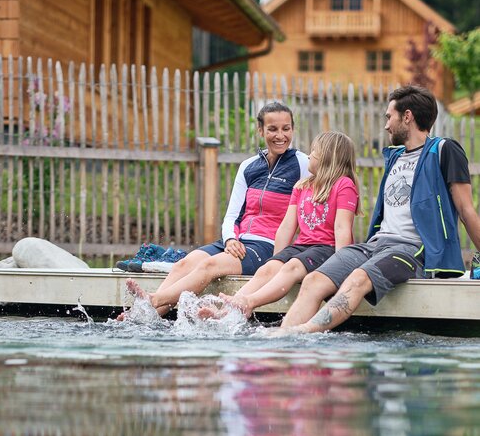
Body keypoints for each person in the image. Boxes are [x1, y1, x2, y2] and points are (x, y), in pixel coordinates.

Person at [273, 84, 480, 335]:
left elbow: (466, 210)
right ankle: (279, 338)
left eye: (388, 116)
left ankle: (304, 333)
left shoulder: (443, 150)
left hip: (413, 249)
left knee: (358, 279)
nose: (385, 125)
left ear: (407, 116)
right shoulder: (394, 157)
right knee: (313, 280)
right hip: (375, 244)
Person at [118, 101, 310, 320]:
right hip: (236, 241)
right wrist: (229, 239)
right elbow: (232, 215)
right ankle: (144, 318)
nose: (280, 135)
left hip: (266, 246)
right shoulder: (249, 166)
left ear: (293, 129)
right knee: (184, 263)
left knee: (209, 265)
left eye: (286, 128)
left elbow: (324, 188)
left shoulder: (302, 164)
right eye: (272, 129)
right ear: (260, 130)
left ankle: (152, 301)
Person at [198, 131, 360, 320]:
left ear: (327, 157)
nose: (309, 155)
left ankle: (248, 303)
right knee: (268, 269)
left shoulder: (344, 185)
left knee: (291, 267)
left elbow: (342, 228)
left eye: (314, 151)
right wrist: (276, 261)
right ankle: (227, 311)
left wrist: (340, 267)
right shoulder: (302, 186)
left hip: (327, 248)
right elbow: (286, 227)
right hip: (303, 246)